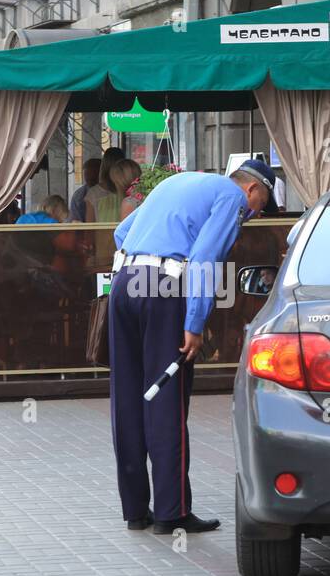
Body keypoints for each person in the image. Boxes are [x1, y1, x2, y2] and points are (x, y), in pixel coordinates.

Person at [108, 162, 276, 534]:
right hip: (164, 289)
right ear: (251, 190)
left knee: (129, 398)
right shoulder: (231, 199)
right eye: (261, 204)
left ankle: (136, 510)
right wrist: (194, 323)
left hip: (123, 284)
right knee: (166, 400)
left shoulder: (177, 182)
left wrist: (140, 268)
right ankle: (171, 512)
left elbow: (122, 232)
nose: (257, 213)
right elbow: (203, 260)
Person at [85, 158, 139, 224]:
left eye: (115, 182)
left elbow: (123, 232)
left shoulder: (128, 203)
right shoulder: (145, 197)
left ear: (121, 182)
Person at [69, 158, 109, 222]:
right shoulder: (78, 196)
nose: (90, 183)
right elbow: (75, 220)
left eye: (94, 180)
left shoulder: (114, 192)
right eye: (87, 179)